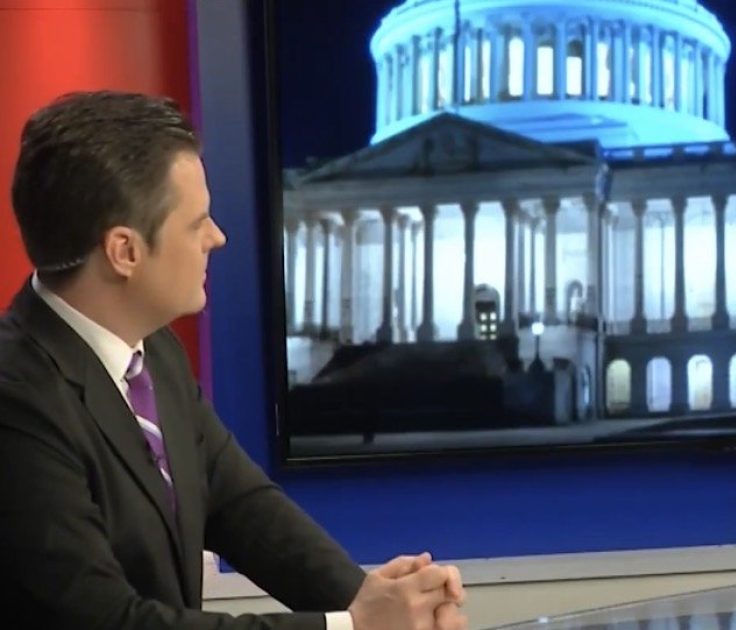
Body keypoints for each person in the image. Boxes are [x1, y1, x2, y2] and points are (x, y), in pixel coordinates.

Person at [0, 91, 467, 629]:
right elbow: (110, 621)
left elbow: (242, 506)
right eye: (196, 221)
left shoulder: (155, 354)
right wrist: (354, 626)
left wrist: (384, 603)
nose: (217, 237)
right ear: (125, 251)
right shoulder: (17, 398)